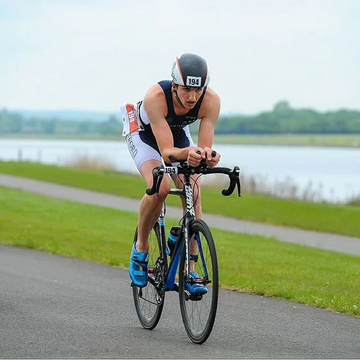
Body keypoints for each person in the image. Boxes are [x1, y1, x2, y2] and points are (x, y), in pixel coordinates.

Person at [121, 53, 221, 294]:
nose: (192, 97)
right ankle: (141, 247)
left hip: (176, 134)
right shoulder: (156, 97)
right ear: (174, 85)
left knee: (194, 193)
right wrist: (188, 152)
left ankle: (190, 270)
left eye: (198, 91)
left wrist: (208, 158)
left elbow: (203, 149)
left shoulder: (211, 101)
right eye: (186, 89)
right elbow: (166, 153)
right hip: (144, 134)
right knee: (161, 188)